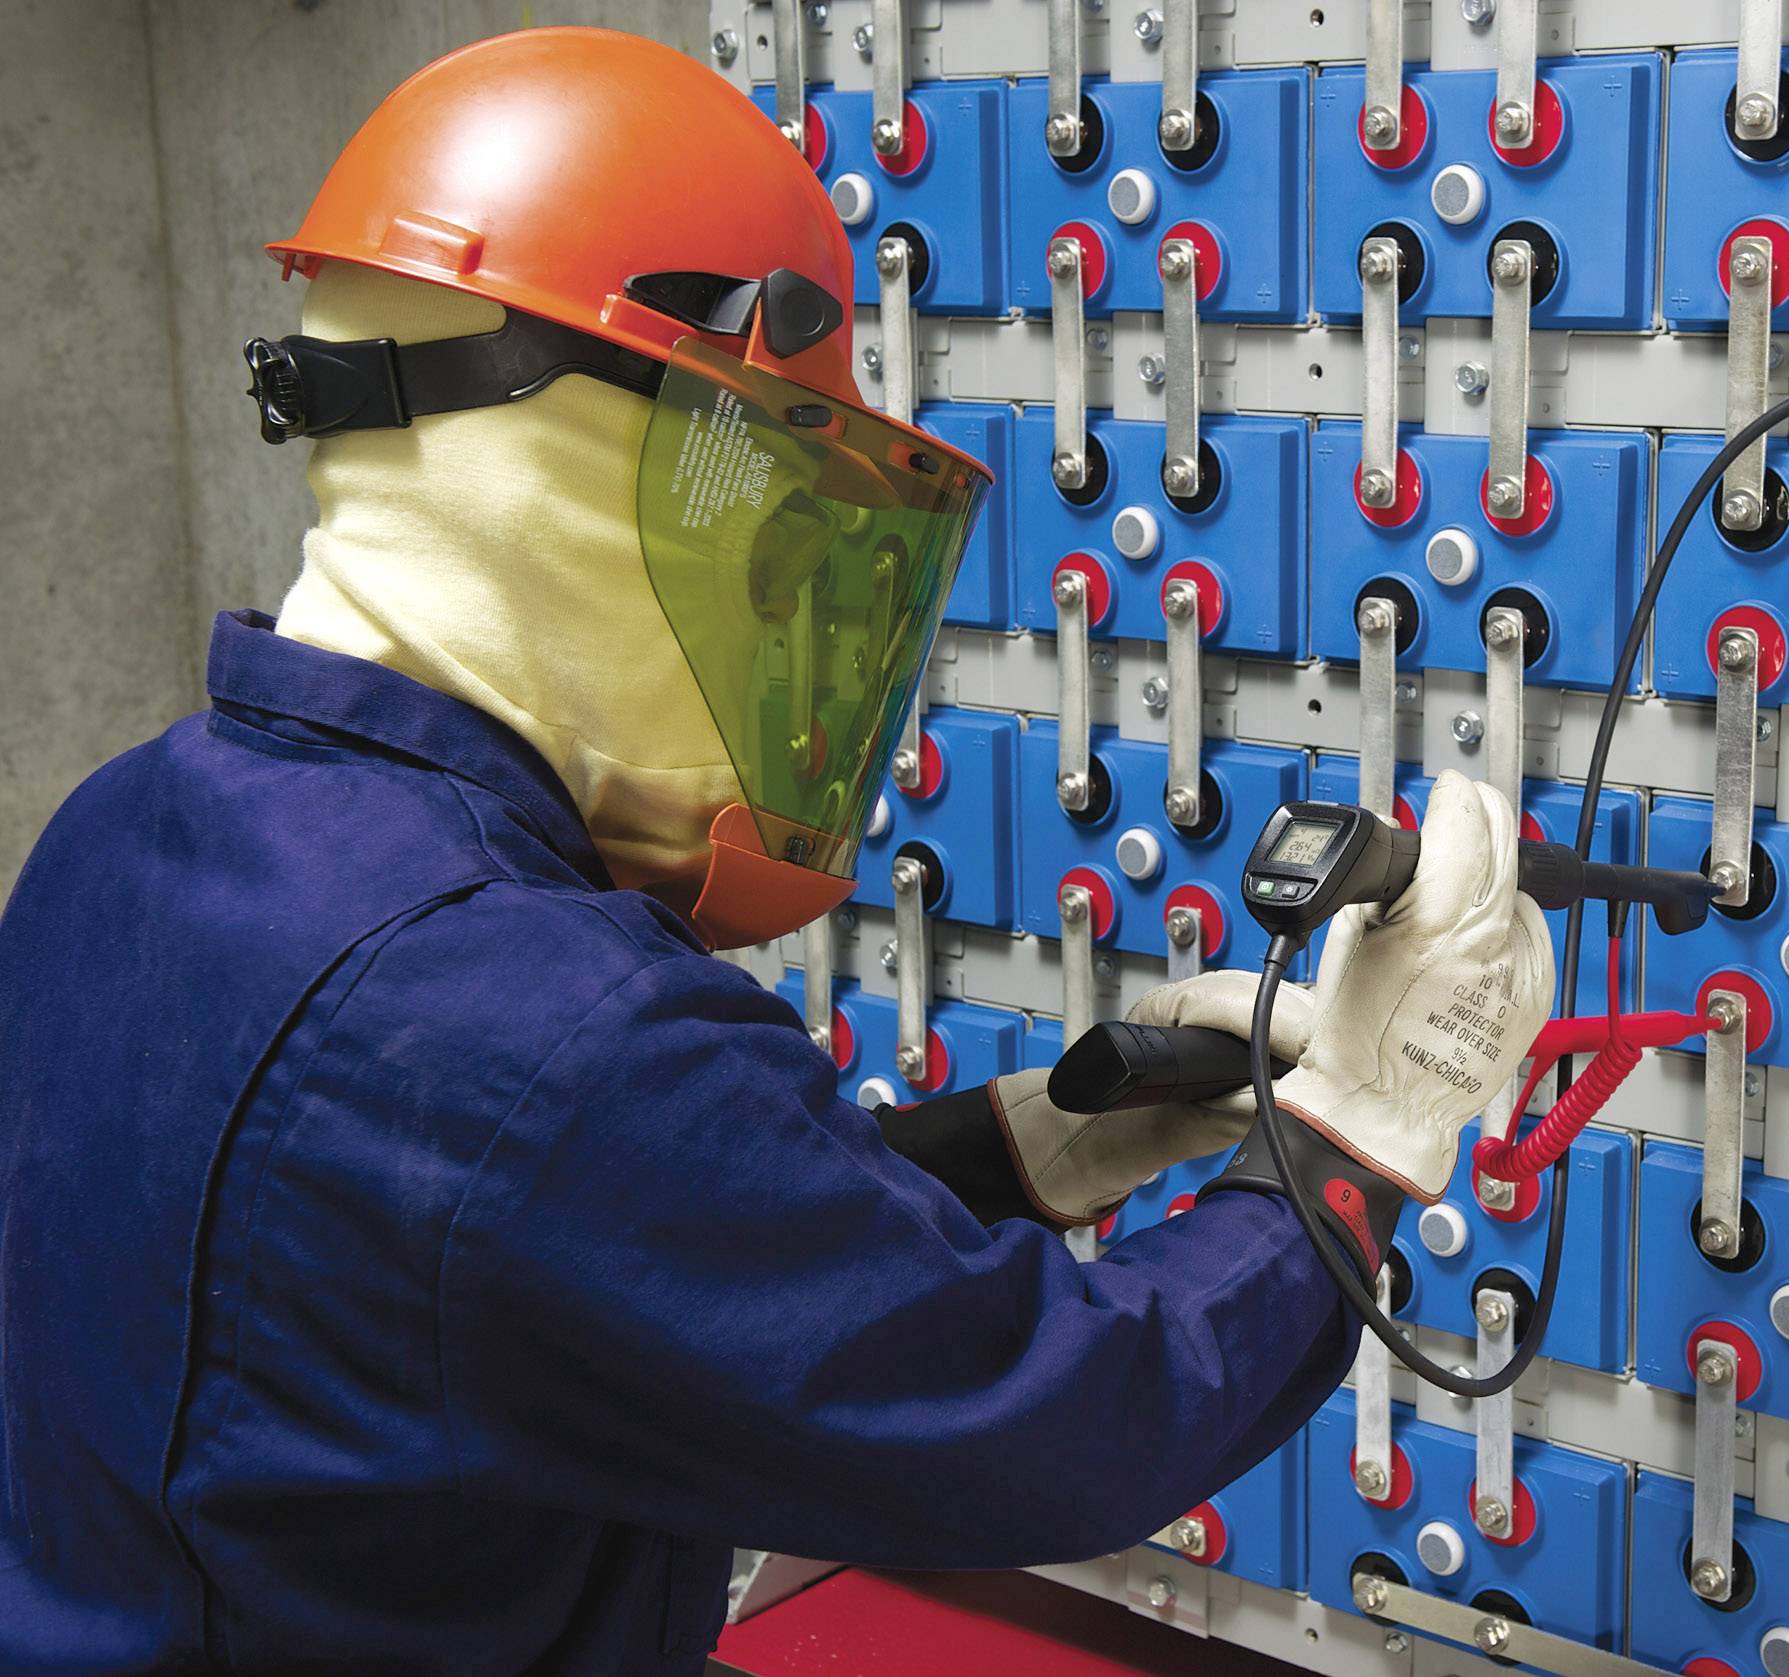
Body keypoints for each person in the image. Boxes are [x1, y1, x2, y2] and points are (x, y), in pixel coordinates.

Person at [0, 28, 1552, 1675]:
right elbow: (1076, 1427)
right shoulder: (530, 1026)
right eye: (768, 531)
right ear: (611, 480)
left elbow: (551, 1254)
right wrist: (1366, 1127)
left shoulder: (122, 834)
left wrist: (1029, 1151)